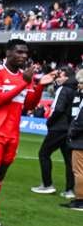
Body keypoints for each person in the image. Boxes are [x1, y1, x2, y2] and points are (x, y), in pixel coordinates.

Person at [0, 40, 56, 226]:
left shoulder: (22, 77)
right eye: (19, 52)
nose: (24, 56)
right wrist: (24, 82)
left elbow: (28, 104)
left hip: (12, 134)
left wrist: (38, 87)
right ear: (8, 52)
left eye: (26, 53)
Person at [32, 67, 76, 197]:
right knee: (69, 160)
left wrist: (50, 122)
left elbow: (58, 109)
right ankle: (70, 190)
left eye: (59, 75)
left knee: (43, 153)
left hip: (58, 127)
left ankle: (47, 185)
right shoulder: (75, 89)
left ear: (66, 77)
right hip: (69, 128)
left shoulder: (63, 89)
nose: (57, 78)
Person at [63, 69, 83, 211]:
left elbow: (80, 121)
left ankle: (80, 200)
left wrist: (72, 132)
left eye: (81, 82)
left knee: (79, 171)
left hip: (80, 140)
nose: (79, 85)